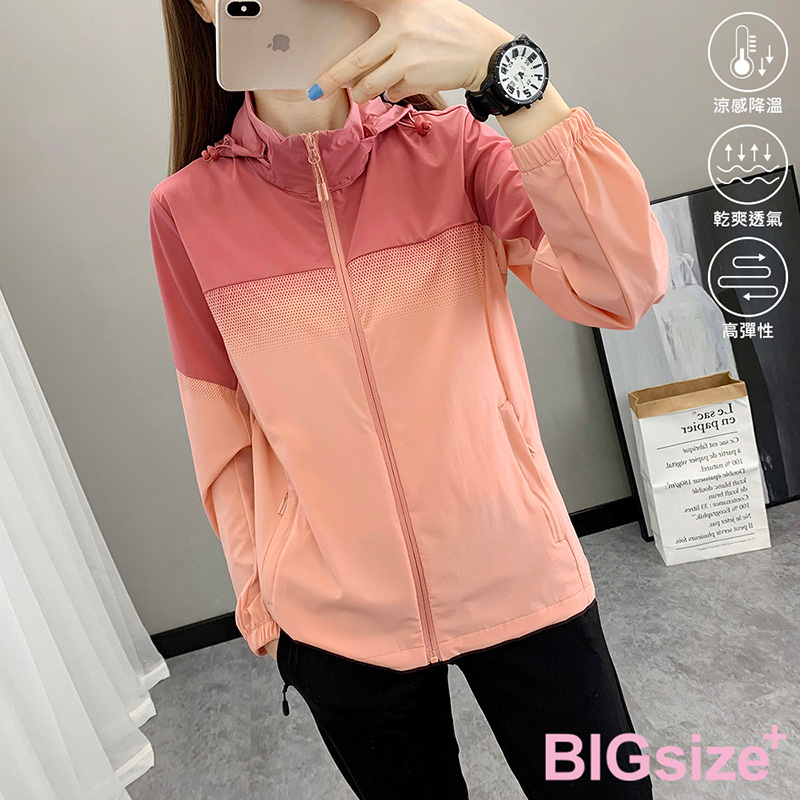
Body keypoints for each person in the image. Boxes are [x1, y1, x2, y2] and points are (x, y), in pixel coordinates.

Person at [149, 0, 668, 796]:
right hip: (337, 624)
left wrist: (510, 75)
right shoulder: (185, 211)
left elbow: (622, 286)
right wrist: (264, 602)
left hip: (517, 570)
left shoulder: (455, 149)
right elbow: (221, 422)